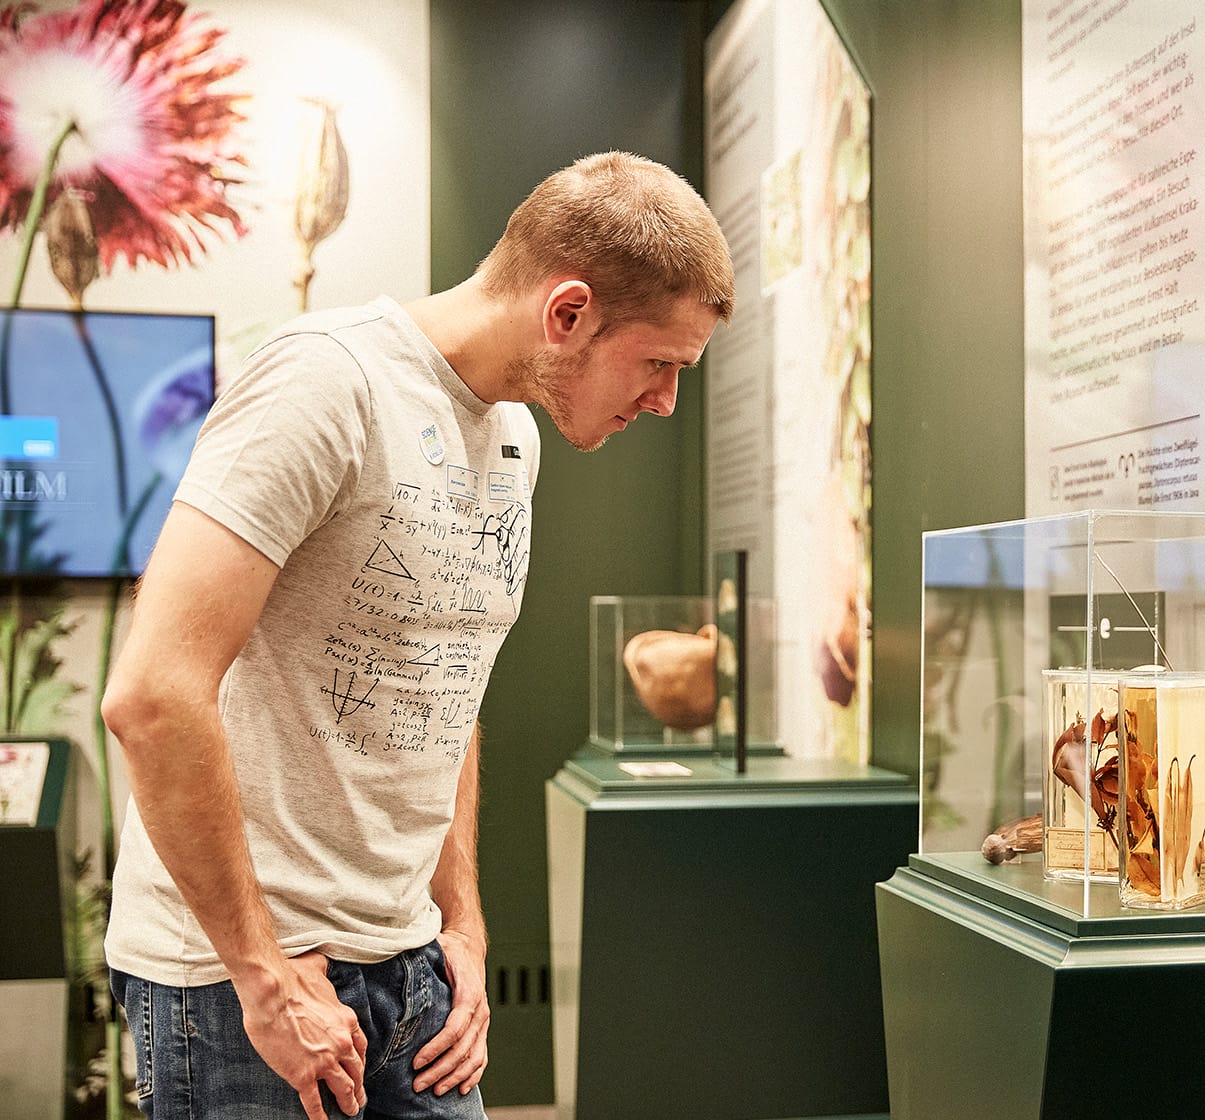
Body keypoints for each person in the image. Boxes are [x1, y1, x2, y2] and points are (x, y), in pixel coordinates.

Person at [100, 151, 734, 1120]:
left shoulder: (514, 440)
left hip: (411, 970)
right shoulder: (327, 383)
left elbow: (448, 686)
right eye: (660, 363)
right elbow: (152, 694)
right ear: (567, 313)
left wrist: (465, 925)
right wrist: (264, 976)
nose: (666, 400)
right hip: (243, 993)